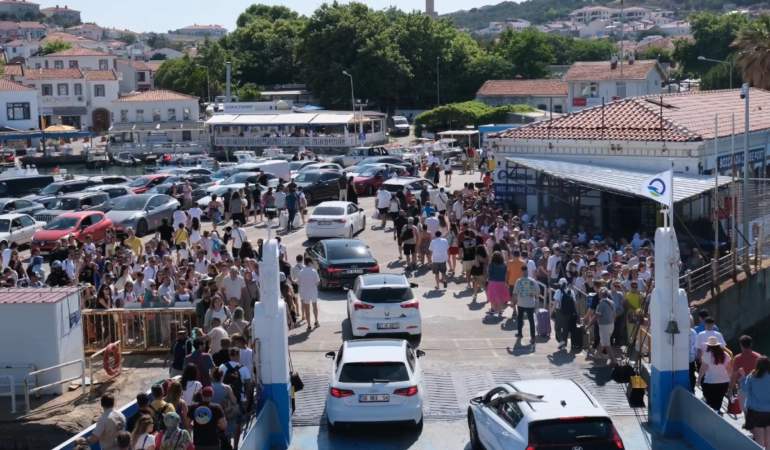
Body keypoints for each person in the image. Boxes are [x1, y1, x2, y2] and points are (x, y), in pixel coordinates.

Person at [739, 356, 770, 448]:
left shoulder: (752, 377)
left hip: (755, 411)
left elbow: (744, 389)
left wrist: (742, 376)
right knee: (768, 439)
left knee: (759, 439)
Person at [699, 336, 732, 414]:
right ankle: (717, 412)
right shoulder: (726, 355)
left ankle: (712, 414)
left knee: (710, 402)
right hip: (723, 382)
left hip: (710, 382)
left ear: (708, 346)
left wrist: (699, 379)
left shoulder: (707, 356)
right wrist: (730, 380)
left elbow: (703, 369)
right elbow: (729, 370)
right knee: (718, 400)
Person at [731, 335, 761, 414]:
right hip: (756, 388)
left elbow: (734, 376)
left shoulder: (737, 358)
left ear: (741, 345)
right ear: (751, 344)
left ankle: (748, 421)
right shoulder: (758, 357)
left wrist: (730, 389)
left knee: (746, 411)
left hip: (743, 388)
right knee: (756, 411)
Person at [586, 288, 616, 367]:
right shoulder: (612, 302)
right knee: (603, 342)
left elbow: (596, 316)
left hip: (604, 326)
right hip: (611, 325)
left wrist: (589, 326)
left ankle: (613, 361)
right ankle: (596, 358)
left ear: (600, 294)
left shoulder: (601, 304)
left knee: (606, 344)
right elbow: (614, 315)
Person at [511, 266, 538, 343]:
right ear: (528, 271)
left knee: (520, 318)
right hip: (530, 303)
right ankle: (533, 337)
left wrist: (513, 302)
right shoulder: (532, 281)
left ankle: (520, 333)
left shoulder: (519, 281)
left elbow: (515, 293)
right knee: (531, 320)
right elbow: (538, 291)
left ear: (521, 272)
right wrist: (531, 293)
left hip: (521, 303)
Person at [297, 257, 320, 332]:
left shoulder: (301, 272)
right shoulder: (314, 271)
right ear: (310, 263)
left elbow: (298, 283)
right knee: (314, 306)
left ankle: (309, 325)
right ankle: (316, 321)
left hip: (304, 292)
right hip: (313, 291)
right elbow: (317, 282)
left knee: (307, 309)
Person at [553, 278, 577, 350]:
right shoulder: (571, 292)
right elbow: (575, 303)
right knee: (565, 328)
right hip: (569, 312)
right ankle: (564, 343)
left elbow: (555, 304)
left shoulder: (558, 291)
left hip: (560, 311)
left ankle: (560, 340)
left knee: (557, 326)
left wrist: (550, 312)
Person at [486, 251, 508, 317]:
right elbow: (506, 273)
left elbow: (490, 273)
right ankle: (500, 311)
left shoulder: (492, 264)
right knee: (500, 297)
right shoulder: (504, 264)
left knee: (492, 296)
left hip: (493, 282)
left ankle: (492, 309)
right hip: (502, 282)